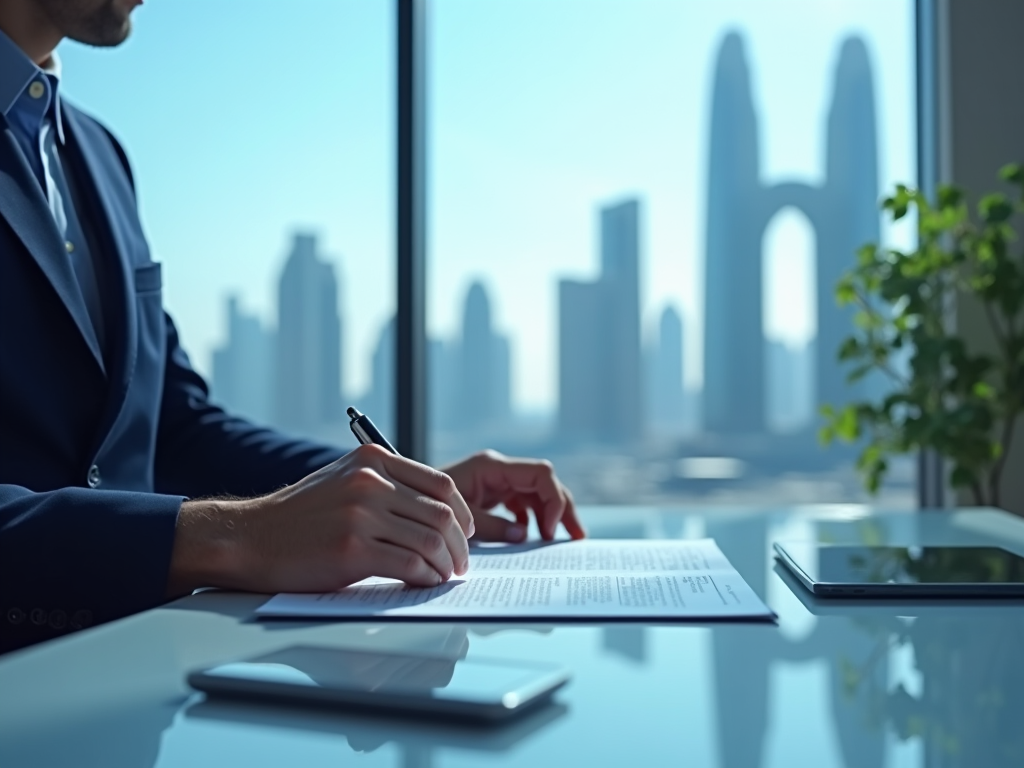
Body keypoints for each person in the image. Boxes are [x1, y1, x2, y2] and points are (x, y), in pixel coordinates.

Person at [0, 0, 585, 653]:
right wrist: (238, 536)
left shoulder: (97, 153)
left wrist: (395, 487)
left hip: (127, 687)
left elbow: (173, 426)